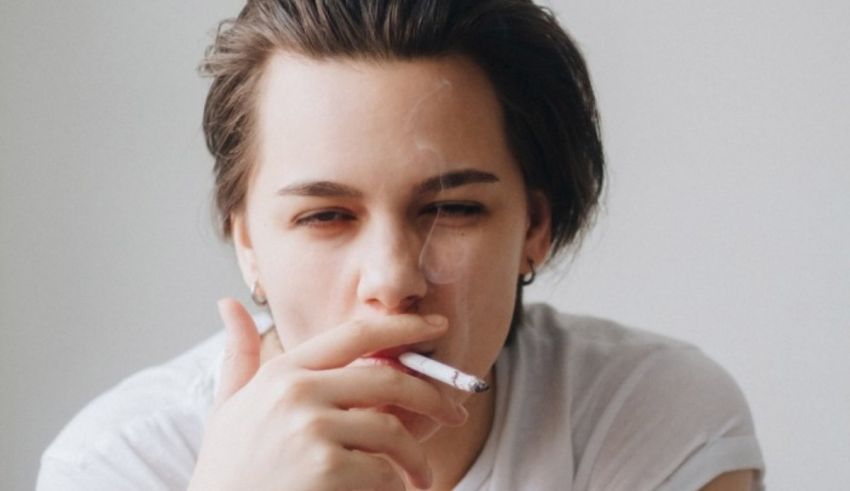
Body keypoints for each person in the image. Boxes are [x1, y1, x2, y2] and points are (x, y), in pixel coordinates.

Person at [37, 1, 765, 489]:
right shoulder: (118, 461)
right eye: (326, 217)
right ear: (249, 241)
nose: (391, 281)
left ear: (534, 228)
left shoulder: (652, 418)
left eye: (451, 208)